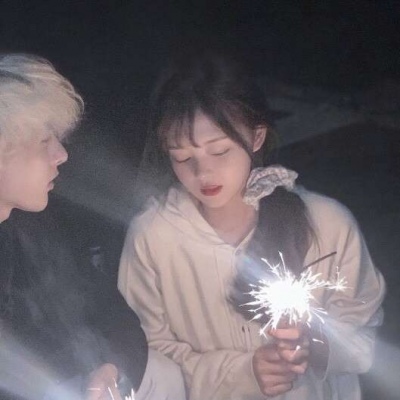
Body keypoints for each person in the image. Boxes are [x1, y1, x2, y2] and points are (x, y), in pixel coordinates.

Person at [118, 49, 386, 400]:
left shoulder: (326, 224)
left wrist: (316, 345)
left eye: (220, 151)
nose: (203, 172)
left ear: (256, 137)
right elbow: (145, 354)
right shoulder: (154, 238)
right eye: (182, 157)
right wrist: (243, 373)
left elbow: (363, 331)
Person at [0, 53, 184, 400]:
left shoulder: (34, 226)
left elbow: (107, 308)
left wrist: (110, 368)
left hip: (75, 380)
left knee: (164, 374)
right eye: (44, 142)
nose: (61, 154)